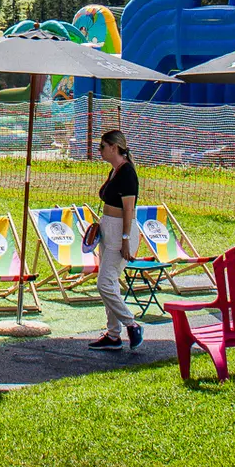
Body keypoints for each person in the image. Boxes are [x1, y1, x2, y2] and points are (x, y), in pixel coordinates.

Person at [88, 129, 144, 351]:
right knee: (109, 282)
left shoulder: (127, 172)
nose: (99, 151)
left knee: (104, 284)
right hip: (108, 229)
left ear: (114, 147)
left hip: (121, 231)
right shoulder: (115, 171)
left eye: (102, 147)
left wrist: (125, 239)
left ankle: (131, 324)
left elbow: (129, 210)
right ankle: (113, 335)